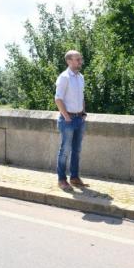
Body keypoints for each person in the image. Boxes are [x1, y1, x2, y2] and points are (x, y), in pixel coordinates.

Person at [54, 50, 88, 191]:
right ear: (69, 61)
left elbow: (81, 97)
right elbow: (58, 98)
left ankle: (74, 177)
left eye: (80, 58)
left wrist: (83, 112)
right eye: (77, 59)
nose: (80, 61)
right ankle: (62, 180)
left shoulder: (80, 77)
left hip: (79, 119)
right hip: (68, 119)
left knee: (77, 150)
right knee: (65, 151)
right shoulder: (64, 77)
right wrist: (67, 116)